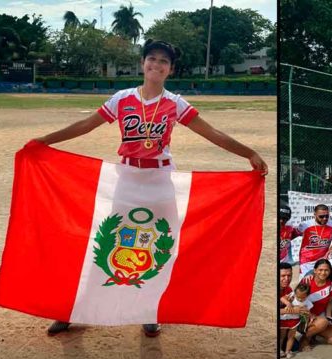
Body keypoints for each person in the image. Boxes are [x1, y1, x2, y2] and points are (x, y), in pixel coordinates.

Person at [41, 40, 267, 337]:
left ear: (170, 70)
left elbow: (210, 132)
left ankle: (151, 311)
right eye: (152, 59)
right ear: (142, 64)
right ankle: (73, 310)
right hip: (127, 177)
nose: (156, 64)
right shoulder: (122, 98)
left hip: (161, 181)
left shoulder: (175, 103)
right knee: (104, 245)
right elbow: (86, 124)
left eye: (164, 61)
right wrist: (44, 142)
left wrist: (248, 153)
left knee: (159, 246)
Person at [301, 259, 332, 347]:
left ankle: (314, 333)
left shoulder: (331, 286)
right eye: (320, 270)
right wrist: (309, 315)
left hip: (319, 318)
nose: (323, 273)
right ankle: (304, 340)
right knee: (323, 322)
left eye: (326, 270)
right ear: (315, 270)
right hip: (303, 317)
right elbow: (298, 302)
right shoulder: (306, 281)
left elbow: (329, 303)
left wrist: (329, 317)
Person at [296, 204, 332, 275]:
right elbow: (291, 235)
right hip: (306, 262)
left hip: (323, 260)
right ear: (315, 215)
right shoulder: (305, 225)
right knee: (305, 284)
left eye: (327, 216)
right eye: (321, 216)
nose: (325, 218)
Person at [280, 282, 314, 358]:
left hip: (295, 321)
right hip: (284, 319)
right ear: (295, 292)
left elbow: (308, 312)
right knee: (282, 336)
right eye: (298, 297)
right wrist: (288, 303)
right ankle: (279, 350)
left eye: (303, 298)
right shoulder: (291, 295)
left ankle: (287, 351)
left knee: (291, 336)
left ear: (307, 295)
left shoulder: (308, 303)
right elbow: (281, 298)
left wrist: (309, 316)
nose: (300, 299)